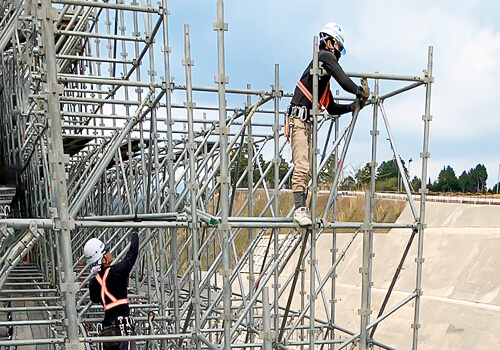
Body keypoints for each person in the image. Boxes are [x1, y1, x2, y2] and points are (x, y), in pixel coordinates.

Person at [288, 22, 370, 226]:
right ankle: (299, 210)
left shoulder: (321, 77)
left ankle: (303, 209)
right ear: (330, 42)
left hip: (306, 122)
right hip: (298, 119)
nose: (339, 52)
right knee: (302, 165)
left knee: (307, 169)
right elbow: (343, 79)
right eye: (339, 47)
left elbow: (331, 107)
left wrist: (352, 107)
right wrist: (359, 91)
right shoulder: (324, 57)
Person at [84, 228, 139, 350]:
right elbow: (132, 254)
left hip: (107, 330)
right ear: (103, 259)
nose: (109, 252)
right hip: (122, 328)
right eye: (106, 251)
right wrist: (135, 232)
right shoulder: (117, 272)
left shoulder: (94, 282)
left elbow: (95, 298)